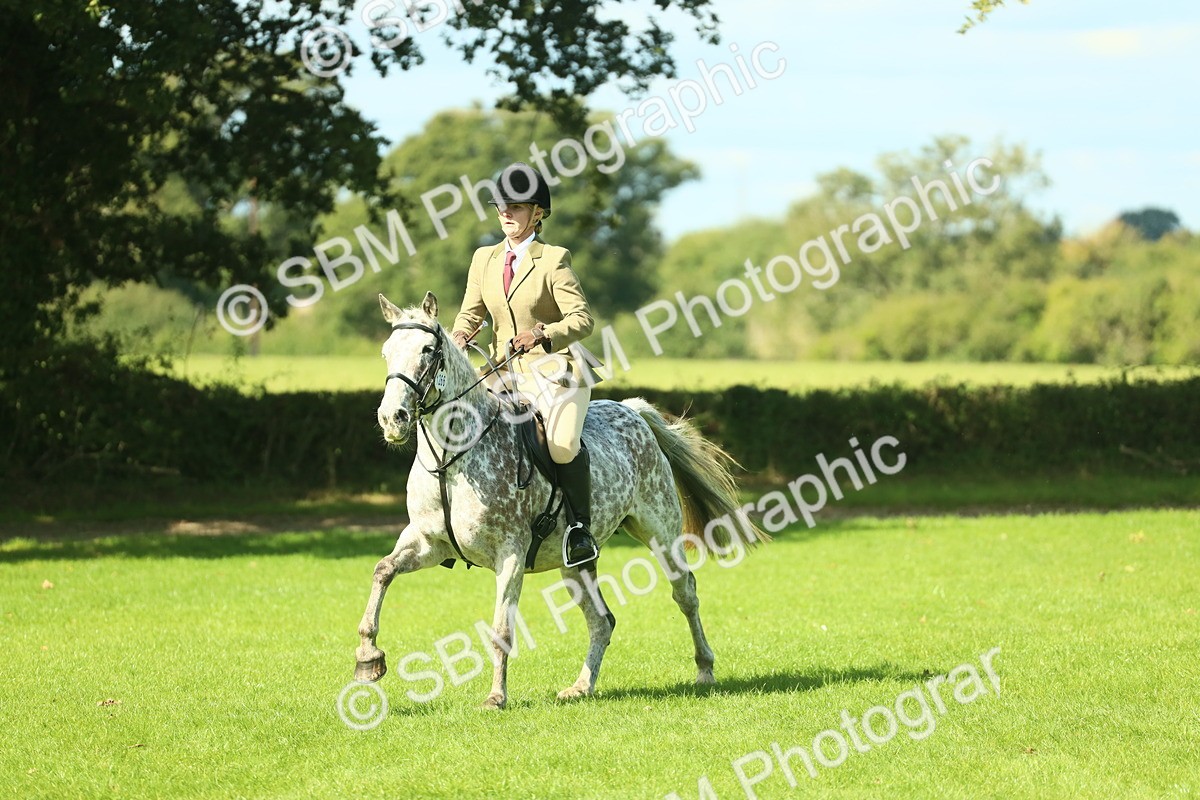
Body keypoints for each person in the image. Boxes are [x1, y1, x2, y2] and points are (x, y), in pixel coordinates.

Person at [451, 162, 601, 567]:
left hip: (555, 370)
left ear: (537, 213)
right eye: (501, 207)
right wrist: (459, 335)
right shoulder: (483, 258)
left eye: (515, 207)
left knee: (562, 446)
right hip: (502, 371)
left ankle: (579, 530)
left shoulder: (553, 259)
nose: (506, 213)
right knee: (456, 425)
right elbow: (471, 313)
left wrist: (543, 333)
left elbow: (583, 320)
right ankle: (453, 525)